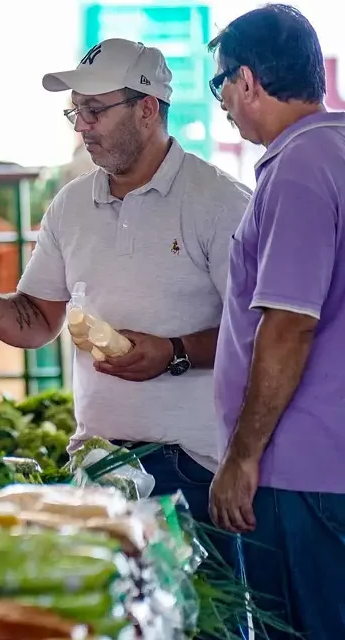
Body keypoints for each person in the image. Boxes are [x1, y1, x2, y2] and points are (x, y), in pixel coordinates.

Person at [0, 39, 250, 550]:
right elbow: (38, 319)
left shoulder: (218, 203)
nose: (82, 126)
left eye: (94, 110)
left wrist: (173, 352)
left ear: (147, 109)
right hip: (98, 460)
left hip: (196, 466)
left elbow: (257, 335)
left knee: (199, 625)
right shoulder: (71, 205)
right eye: (75, 112)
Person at [208, 5, 345, 637]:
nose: (224, 106)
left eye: (220, 88)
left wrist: (242, 456)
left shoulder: (300, 168)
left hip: (303, 475)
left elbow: (290, 325)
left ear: (247, 82)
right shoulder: (335, 151)